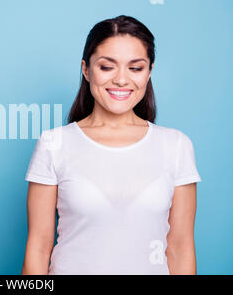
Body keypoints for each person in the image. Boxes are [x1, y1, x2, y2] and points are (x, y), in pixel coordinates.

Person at [22, 15, 201, 275]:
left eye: (135, 68)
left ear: (149, 72)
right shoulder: (54, 144)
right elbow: (38, 247)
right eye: (107, 67)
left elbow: (180, 248)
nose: (120, 79)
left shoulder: (176, 146)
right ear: (86, 69)